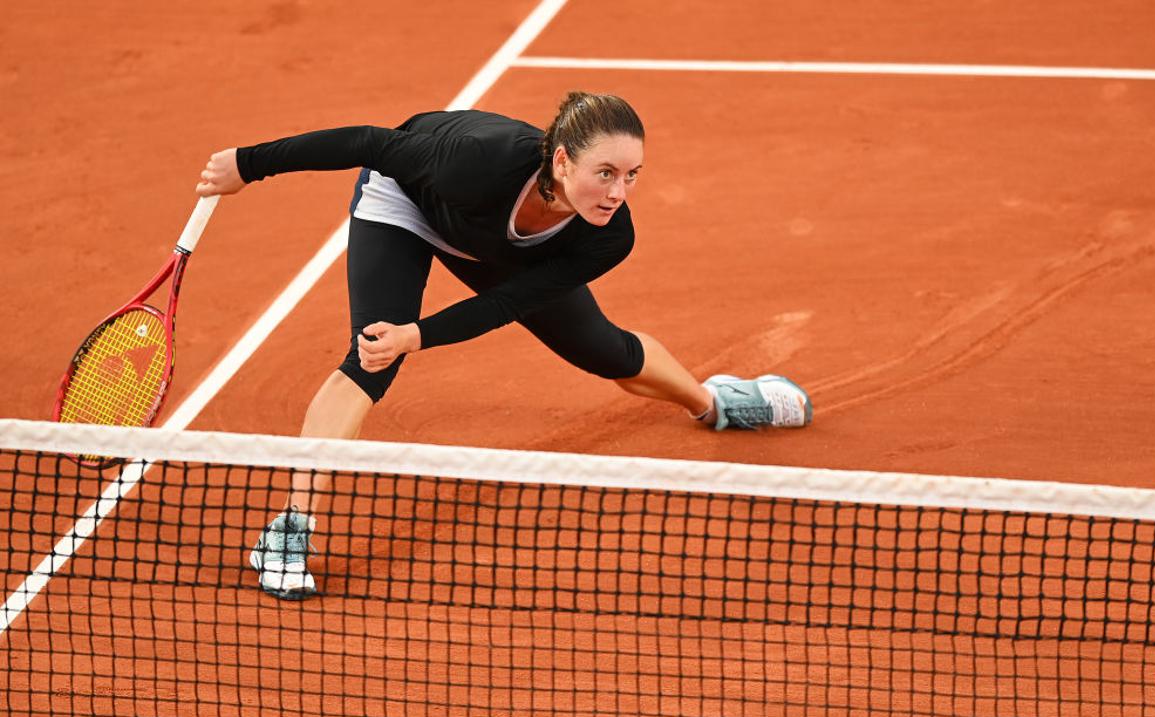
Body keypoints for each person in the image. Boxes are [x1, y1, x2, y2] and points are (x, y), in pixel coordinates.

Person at [196, 92, 812, 600]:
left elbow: (506, 304)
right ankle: (291, 527)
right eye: (605, 173)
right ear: (564, 162)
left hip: (504, 249)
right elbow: (368, 142)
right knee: (369, 359)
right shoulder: (474, 157)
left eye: (631, 176)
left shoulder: (607, 236)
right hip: (408, 208)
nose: (619, 192)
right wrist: (249, 164)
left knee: (604, 352)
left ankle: (716, 403)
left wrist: (420, 335)